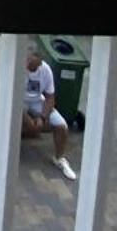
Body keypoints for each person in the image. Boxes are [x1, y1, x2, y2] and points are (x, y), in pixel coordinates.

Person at [22, 50, 77, 182]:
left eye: (36, 65)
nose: (32, 67)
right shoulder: (18, 68)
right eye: (30, 64)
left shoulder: (45, 70)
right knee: (23, 123)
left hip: (36, 101)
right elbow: (11, 96)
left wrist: (43, 117)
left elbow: (50, 97)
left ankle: (59, 158)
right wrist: (26, 118)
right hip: (18, 100)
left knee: (61, 126)